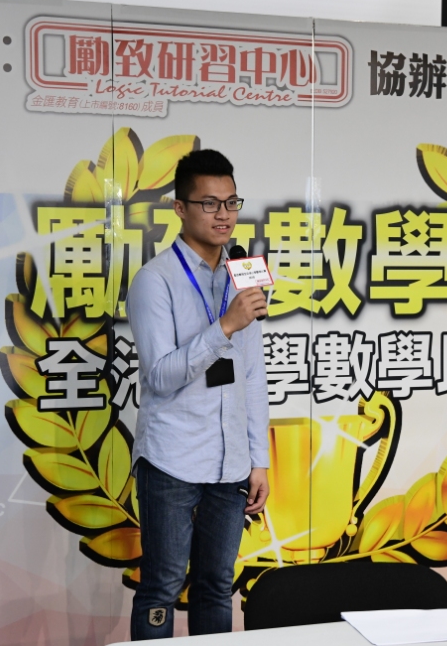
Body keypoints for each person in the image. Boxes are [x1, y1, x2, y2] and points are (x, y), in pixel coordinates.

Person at [126, 149, 270, 640]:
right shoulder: (154, 280)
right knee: (162, 586)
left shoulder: (243, 273)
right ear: (180, 208)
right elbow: (160, 376)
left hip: (231, 464)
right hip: (173, 459)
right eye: (209, 203)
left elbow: (252, 374)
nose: (223, 214)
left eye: (231, 202)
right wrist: (225, 325)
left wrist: (259, 459)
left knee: (216, 587)